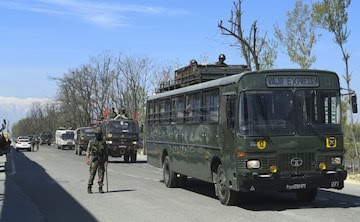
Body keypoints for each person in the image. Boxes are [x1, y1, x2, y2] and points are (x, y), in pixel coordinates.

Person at [86, 128, 108, 194]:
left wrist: (106, 161)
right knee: (92, 174)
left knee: (101, 174)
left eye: (99, 134)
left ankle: (100, 187)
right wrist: (88, 159)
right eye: (97, 134)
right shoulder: (91, 142)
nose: (98, 135)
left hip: (101, 159)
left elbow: (106, 152)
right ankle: (89, 187)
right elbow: (88, 150)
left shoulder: (103, 142)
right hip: (94, 159)